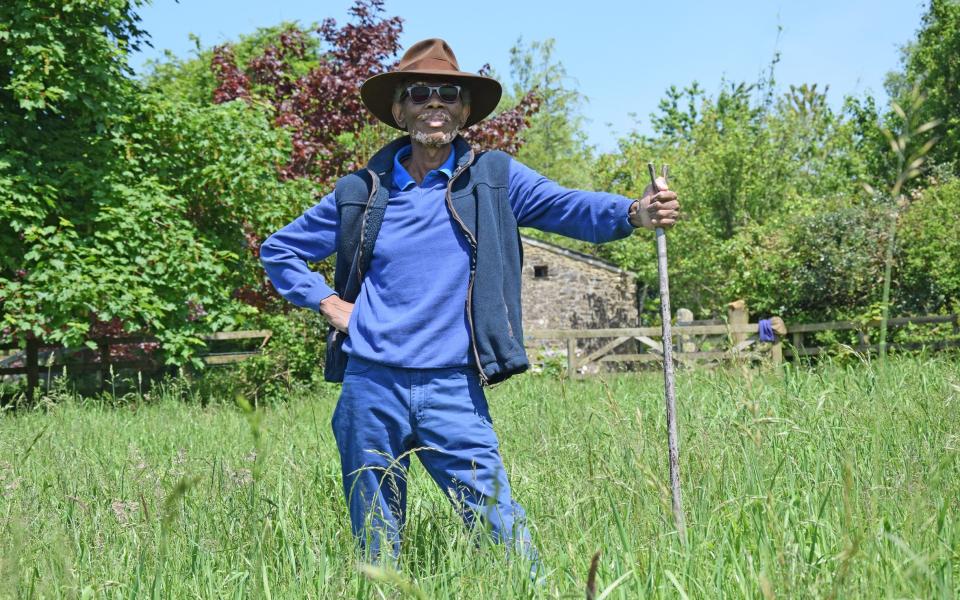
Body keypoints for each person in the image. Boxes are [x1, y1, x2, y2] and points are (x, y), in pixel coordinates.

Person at [260, 38, 679, 565]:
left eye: (447, 94)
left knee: (498, 525)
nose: (433, 103)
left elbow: (569, 207)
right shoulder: (361, 191)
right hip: (370, 385)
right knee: (376, 530)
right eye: (418, 93)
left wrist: (635, 212)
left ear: (463, 108)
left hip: (451, 385)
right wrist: (327, 303)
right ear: (398, 109)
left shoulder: (493, 180)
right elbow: (279, 250)